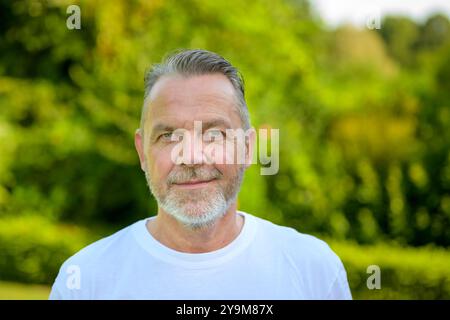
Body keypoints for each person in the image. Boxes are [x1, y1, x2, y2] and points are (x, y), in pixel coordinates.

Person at [49, 49, 352, 300]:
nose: (191, 156)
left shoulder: (315, 271)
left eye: (214, 134)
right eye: (169, 136)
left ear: (248, 149)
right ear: (142, 152)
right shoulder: (85, 282)